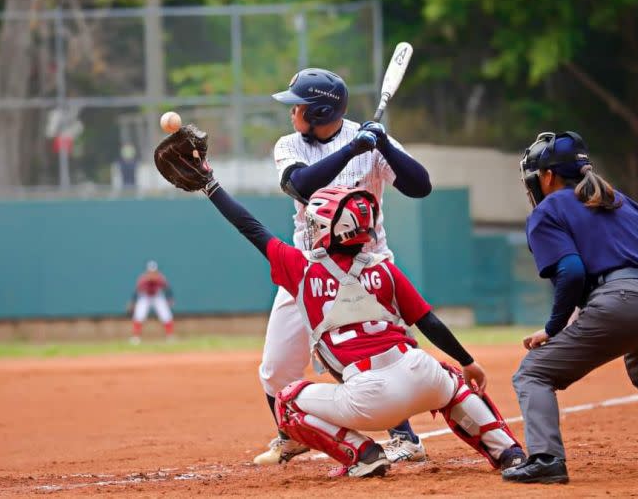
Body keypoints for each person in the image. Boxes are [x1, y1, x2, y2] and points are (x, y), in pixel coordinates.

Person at [162, 145, 526, 475]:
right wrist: (467, 360)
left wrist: (211, 184)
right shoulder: (384, 267)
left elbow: (249, 227)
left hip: (370, 397)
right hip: (419, 373)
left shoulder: (302, 268)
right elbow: (429, 322)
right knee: (451, 380)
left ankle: (363, 454)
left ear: (327, 229)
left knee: (286, 402)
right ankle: (508, 452)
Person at [502, 131, 638, 484]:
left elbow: (571, 272)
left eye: (537, 177)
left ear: (549, 176)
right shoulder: (620, 200)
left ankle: (546, 459)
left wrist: (553, 329)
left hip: (621, 302)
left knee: (533, 372)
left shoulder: (550, 209)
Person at [254, 68, 436, 465]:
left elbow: (420, 186)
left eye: (298, 106)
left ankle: (406, 440)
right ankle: (293, 435)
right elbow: (299, 185)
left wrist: (384, 145)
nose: (292, 113)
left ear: (318, 112)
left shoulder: (370, 139)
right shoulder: (289, 145)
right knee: (274, 368)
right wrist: (353, 150)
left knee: (374, 356)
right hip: (309, 271)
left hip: (366, 271)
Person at [127, 260, 175, 343]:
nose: (152, 273)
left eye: (153, 271)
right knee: (139, 315)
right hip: (145, 296)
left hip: (157, 296)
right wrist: (132, 302)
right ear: (147, 271)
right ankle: (136, 338)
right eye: (150, 271)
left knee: (166, 315)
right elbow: (136, 291)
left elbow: (167, 289)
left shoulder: (160, 278)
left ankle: (170, 336)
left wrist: (170, 298)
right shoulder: (143, 278)